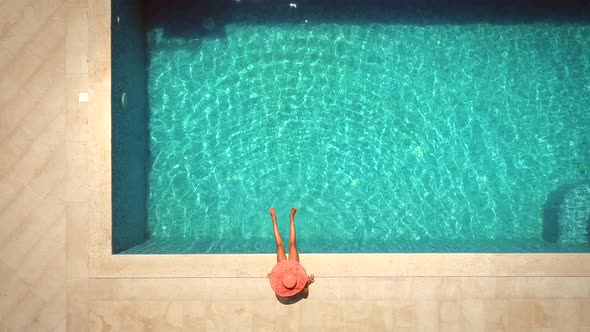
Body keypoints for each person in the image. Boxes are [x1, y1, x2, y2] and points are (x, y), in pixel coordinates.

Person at [267, 207, 314, 303]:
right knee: (292, 243)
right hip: (294, 270)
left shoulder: (284, 285)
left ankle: (274, 220)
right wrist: (307, 283)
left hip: (283, 272)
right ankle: (291, 218)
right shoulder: (300, 289)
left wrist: (273, 276)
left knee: (280, 245)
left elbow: (304, 295)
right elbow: (305, 295)